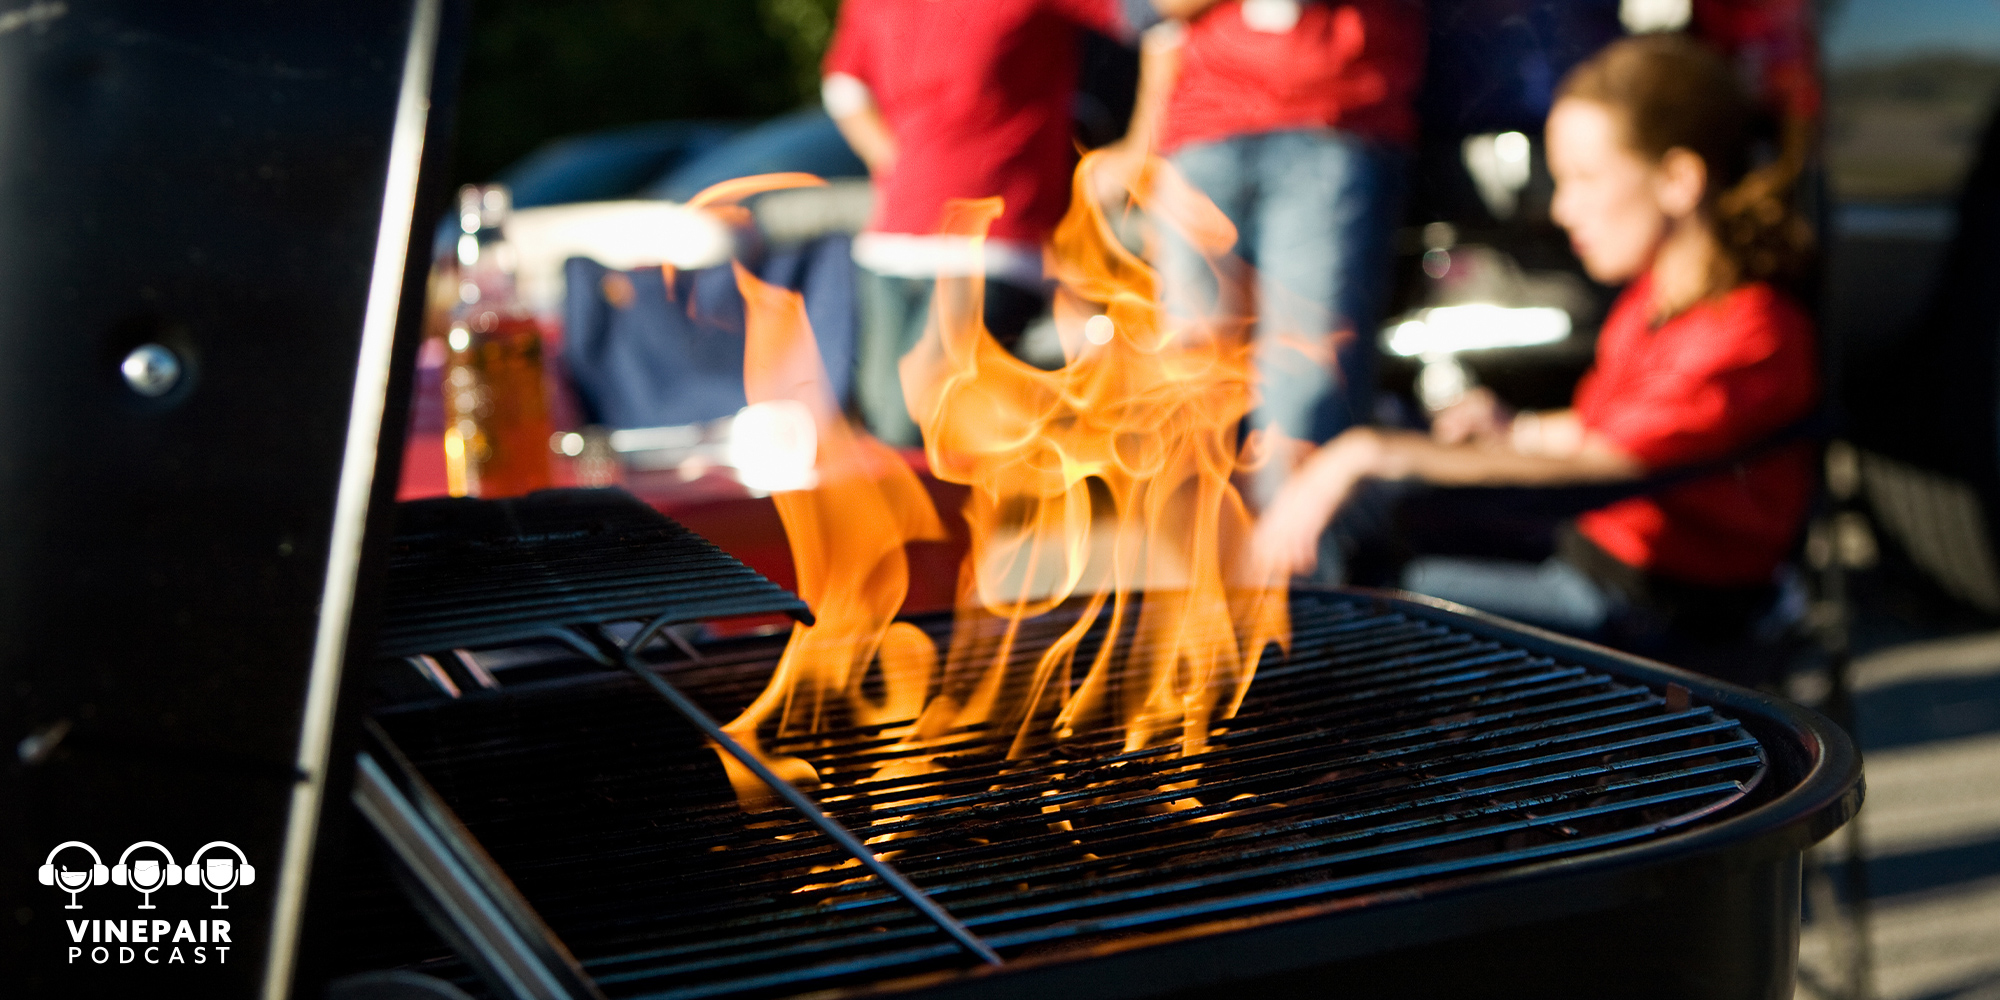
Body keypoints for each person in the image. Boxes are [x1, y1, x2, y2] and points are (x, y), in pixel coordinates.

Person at [1252, 33, 1818, 679]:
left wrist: (1374, 452)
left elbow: (1605, 463)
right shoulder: (1655, 300)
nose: (1561, 208)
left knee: (1375, 608)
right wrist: (1511, 428)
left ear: (1678, 180)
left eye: (1583, 179)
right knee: (1372, 539)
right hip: (1593, 561)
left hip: (1654, 609)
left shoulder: (1750, 331)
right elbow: (1605, 429)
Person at [824, 0, 1201, 446]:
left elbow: (1158, 25)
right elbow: (843, 83)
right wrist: (894, 161)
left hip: (994, 242)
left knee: (910, 421)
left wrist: (1141, 149)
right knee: (883, 429)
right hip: (889, 244)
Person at [1105, 0, 1426, 504]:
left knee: (1305, 385)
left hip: (1331, 117)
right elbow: (1148, 8)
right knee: (1190, 383)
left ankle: (1295, 575)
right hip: (1201, 130)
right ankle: (1194, 572)